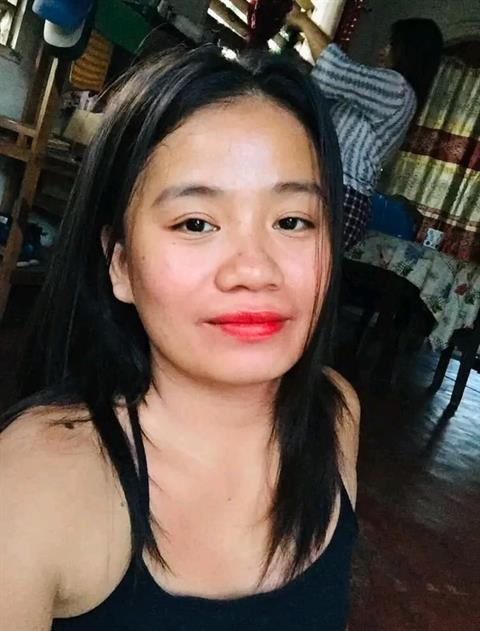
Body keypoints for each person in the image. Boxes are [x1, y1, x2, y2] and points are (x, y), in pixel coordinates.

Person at [0, 45, 360, 630]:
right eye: (196, 223)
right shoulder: (38, 484)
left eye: (292, 221)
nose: (255, 269)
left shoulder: (335, 415)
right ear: (120, 263)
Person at [286, 7, 443, 250]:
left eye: (391, 45)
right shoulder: (399, 95)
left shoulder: (396, 88)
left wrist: (302, 20)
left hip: (339, 193)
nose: (382, 51)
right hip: (343, 196)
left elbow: (335, 70)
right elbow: (325, 85)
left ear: (408, 52)